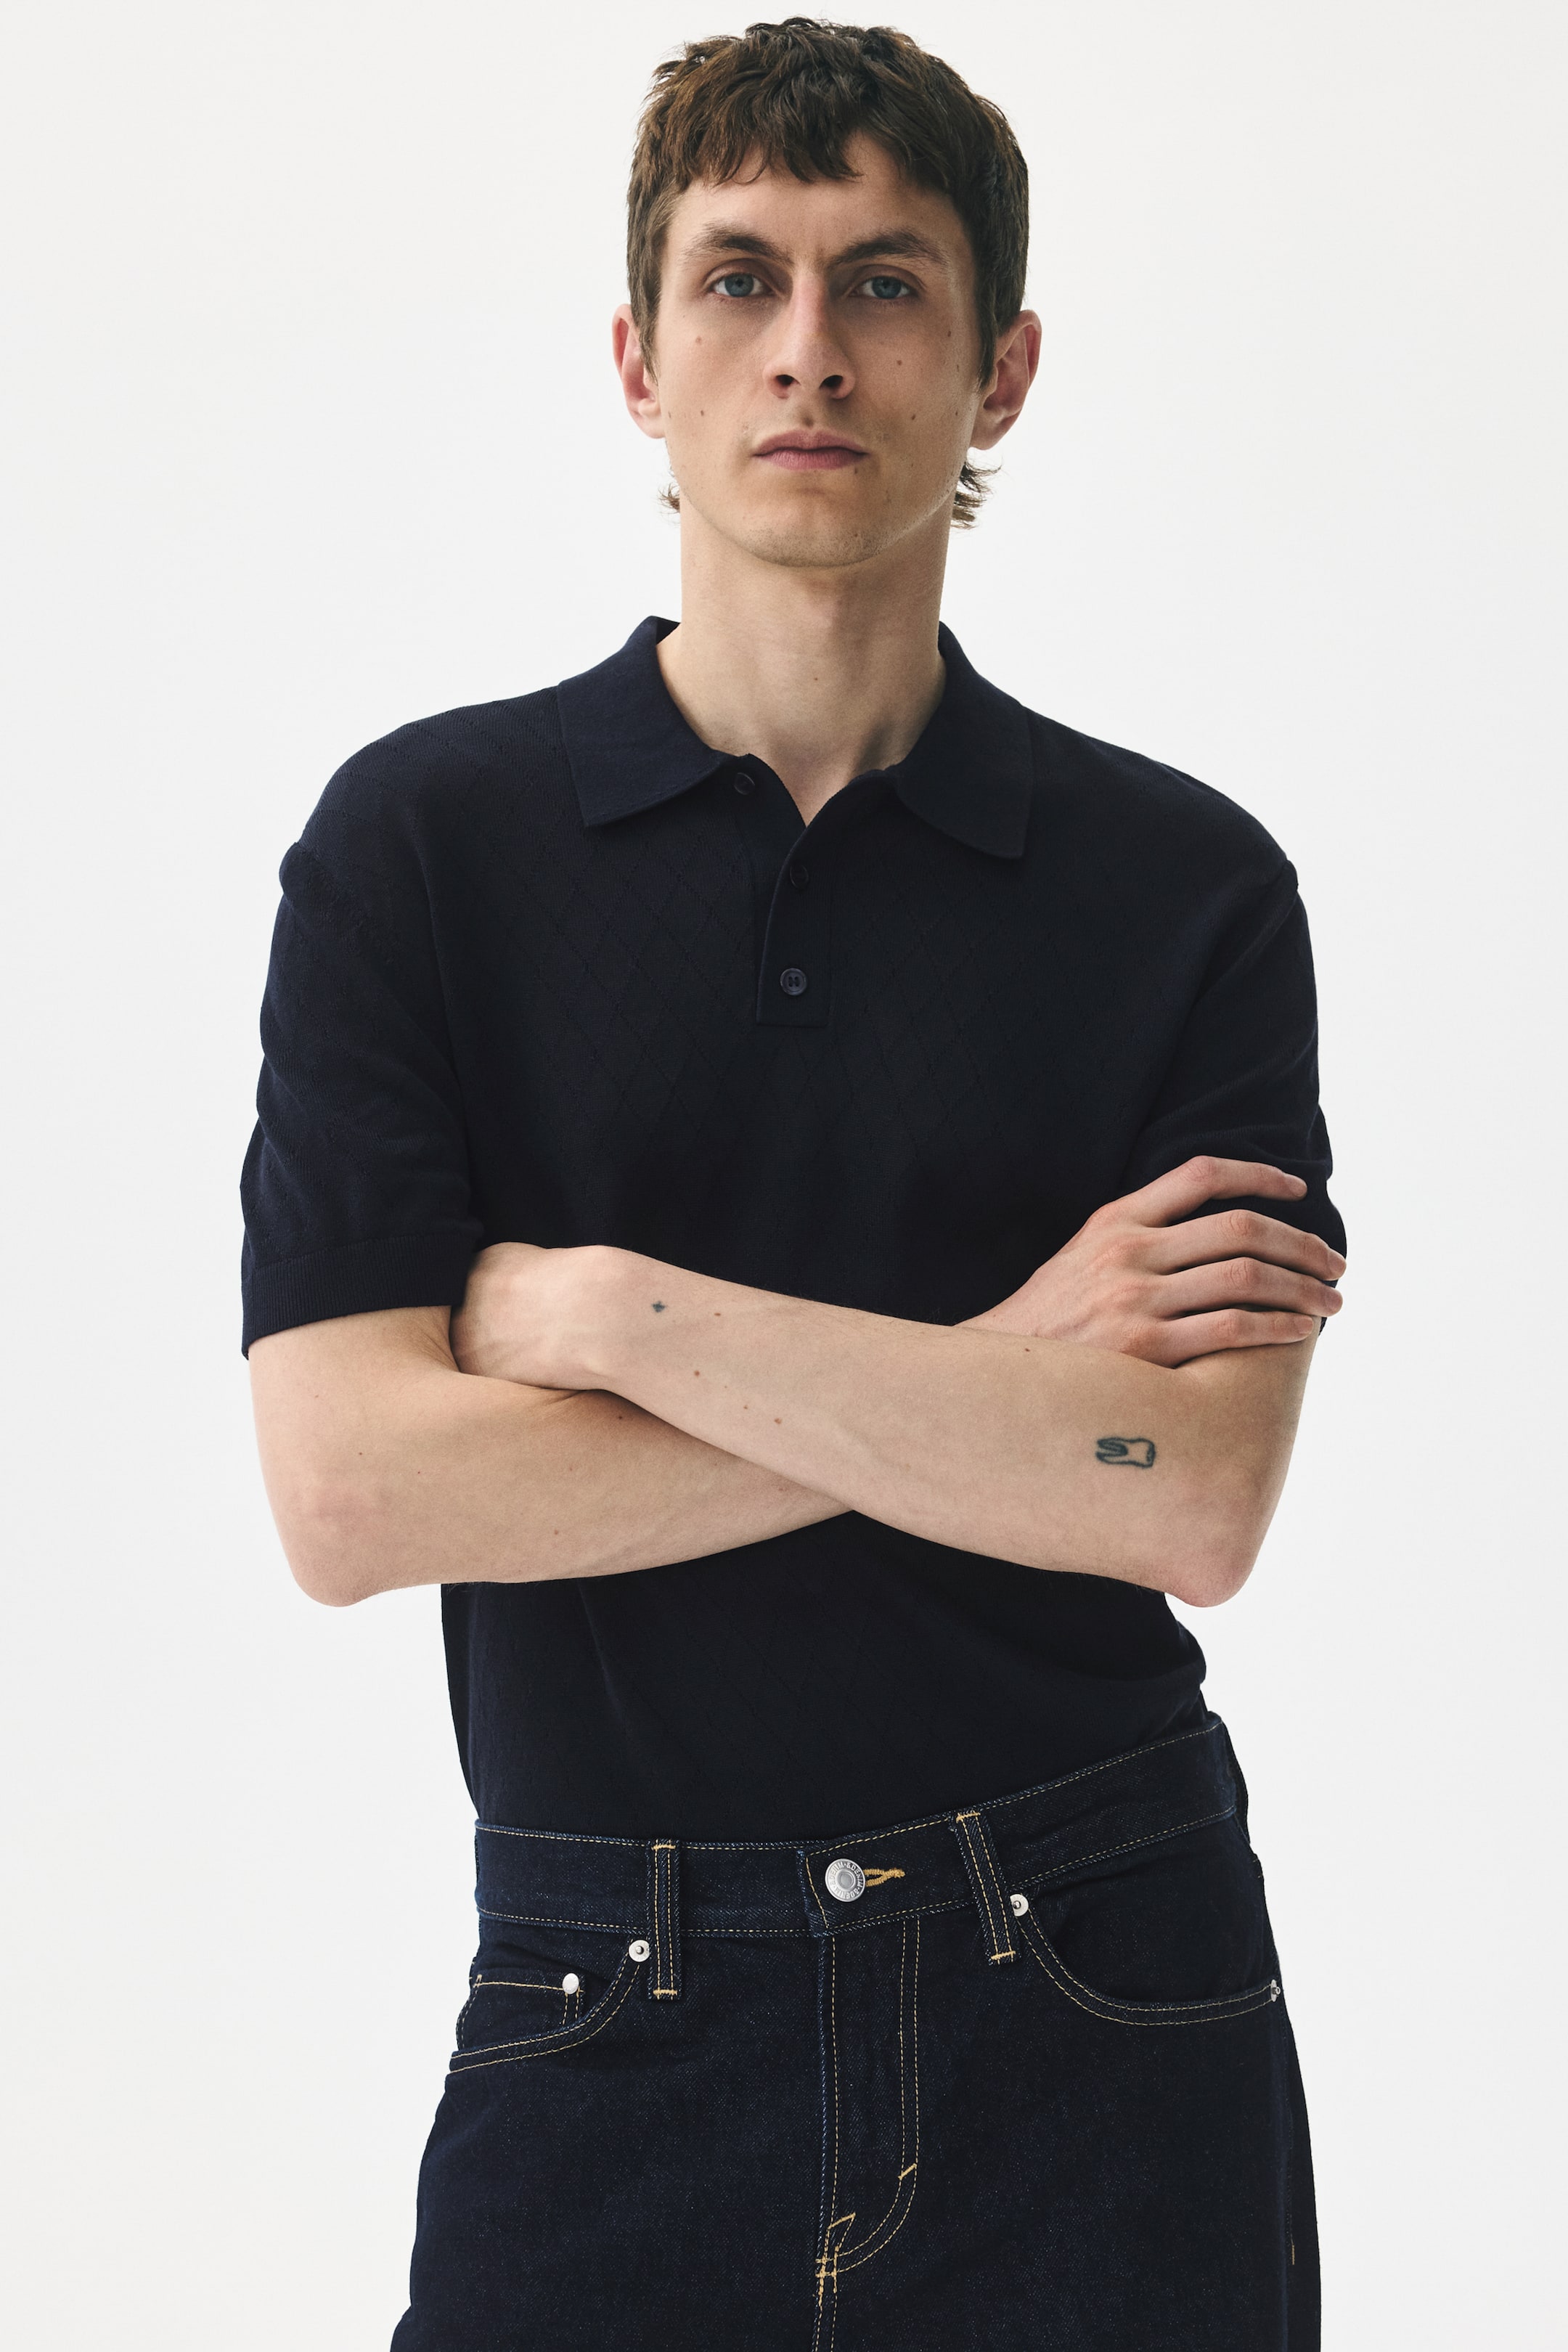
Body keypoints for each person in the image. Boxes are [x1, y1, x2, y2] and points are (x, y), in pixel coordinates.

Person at [242, 20, 1344, 2348]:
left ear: (1003, 365)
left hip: (1102, 1979)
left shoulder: (1186, 891)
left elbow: (1185, 1500)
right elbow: (351, 1495)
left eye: (888, 282)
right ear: (639, 362)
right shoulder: (423, 852)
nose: (810, 350)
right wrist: (998, 1381)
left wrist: (616, 1317)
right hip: (604, 2001)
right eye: (741, 279)